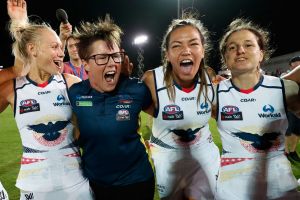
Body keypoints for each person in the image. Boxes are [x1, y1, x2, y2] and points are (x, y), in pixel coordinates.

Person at [0, 1, 93, 199]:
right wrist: (16, 70)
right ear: (32, 49)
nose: (62, 53)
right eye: (55, 47)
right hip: (33, 187)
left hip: (76, 183)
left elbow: (91, 120)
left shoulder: (70, 83)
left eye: (62, 47)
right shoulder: (12, 88)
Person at [67, 16, 155, 200]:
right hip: (97, 185)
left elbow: (161, 113)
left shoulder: (136, 89)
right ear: (85, 64)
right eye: (101, 58)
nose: (111, 63)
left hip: (137, 183)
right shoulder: (75, 93)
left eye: (115, 56)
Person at [215, 18, 300, 199]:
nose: (240, 51)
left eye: (248, 45)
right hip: (231, 188)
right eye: (232, 47)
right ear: (225, 59)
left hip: (280, 186)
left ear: (261, 54)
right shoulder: (213, 94)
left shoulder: (286, 88)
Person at [143, 14, 220, 200]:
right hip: (167, 157)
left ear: (202, 50)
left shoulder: (209, 76)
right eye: (176, 45)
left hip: (205, 155)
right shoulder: (152, 80)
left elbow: (217, 113)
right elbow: (140, 113)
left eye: (194, 44)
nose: (186, 50)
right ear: (167, 55)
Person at [281, 56, 300, 163]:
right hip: (289, 108)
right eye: (295, 66)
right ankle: (286, 152)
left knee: (297, 132)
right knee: (289, 131)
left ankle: (292, 151)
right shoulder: (285, 76)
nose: (297, 67)